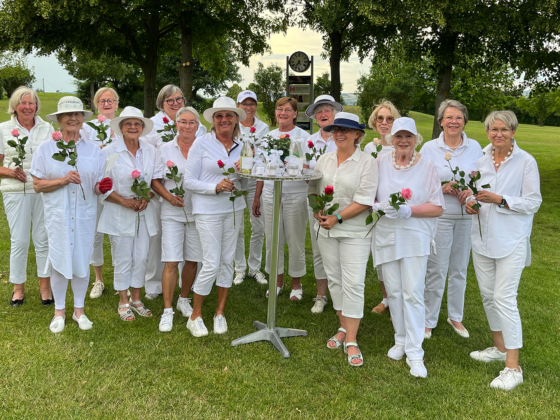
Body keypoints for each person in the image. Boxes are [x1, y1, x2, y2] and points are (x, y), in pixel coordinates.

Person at [466, 110, 541, 391]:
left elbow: (533, 202)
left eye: (504, 130)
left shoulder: (526, 162)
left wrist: (500, 199)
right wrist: (470, 203)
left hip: (512, 240)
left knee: (504, 298)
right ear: (487, 132)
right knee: (487, 296)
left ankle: (513, 367)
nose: (499, 134)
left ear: (513, 133)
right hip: (482, 238)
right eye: (494, 130)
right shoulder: (481, 161)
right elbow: (474, 194)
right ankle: (499, 348)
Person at [30, 97, 109, 332]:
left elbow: (95, 186)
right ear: (59, 120)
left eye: (77, 115)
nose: (73, 119)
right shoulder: (46, 148)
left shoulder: (95, 151)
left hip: (84, 215)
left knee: (82, 260)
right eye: (67, 115)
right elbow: (37, 185)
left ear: (83, 119)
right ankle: (59, 312)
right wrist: (63, 180)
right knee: (59, 260)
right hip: (59, 215)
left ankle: (79, 311)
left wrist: (100, 188)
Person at [373, 117, 444, 378]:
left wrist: (408, 210)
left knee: (412, 292)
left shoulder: (427, 166)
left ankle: (415, 351)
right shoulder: (380, 161)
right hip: (386, 235)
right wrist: (378, 205)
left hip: (414, 236)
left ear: (416, 140)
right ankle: (400, 339)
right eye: (398, 136)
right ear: (391, 138)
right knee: (393, 291)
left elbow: (437, 207)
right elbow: (372, 195)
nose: (403, 141)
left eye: (408, 137)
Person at [309, 112, 377, 367]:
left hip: (355, 233)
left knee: (353, 283)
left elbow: (365, 200)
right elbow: (312, 190)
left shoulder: (367, 162)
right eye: (336, 129)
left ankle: (351, 339)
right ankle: (342, 326)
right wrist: (316, 209)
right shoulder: (323, 160)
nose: (339, 133)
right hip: (326, 231)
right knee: (335, 280)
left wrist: (336, 217)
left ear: (357, 135)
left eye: (346, 130)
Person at [420, 100, 483, 339]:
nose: (453, 121)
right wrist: (441, 187)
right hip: (441, 215)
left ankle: (455, 316)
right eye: (449, 117)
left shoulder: (476, 147)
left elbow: (483, 180)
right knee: (436, 268)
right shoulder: (429, 148)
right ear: (440, 122)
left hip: (466, 216)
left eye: (458, 117)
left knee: (459, 269)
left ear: (464, 121)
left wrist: (472, 192)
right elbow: (420, 182)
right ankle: (428, 319)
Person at [184, 96, 246, 337]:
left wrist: (243, 171)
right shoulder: (201, 144)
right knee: (210, 262)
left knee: (227, 260)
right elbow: (188, 181)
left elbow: (244, 181)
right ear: (213, 120)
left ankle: (220, 312)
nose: (224, 119)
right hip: (207, 209)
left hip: (233, 209)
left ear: (236, 119)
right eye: (219, 115)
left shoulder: (243, 146)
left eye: (229, 115)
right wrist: (215, 188)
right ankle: (195, 315)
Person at [141, 85, 205, 300]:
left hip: (195, 203)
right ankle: (153, 284)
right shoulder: (153, 125)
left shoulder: (196, 126)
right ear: (162, 103)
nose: (176, 102)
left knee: (192, 250)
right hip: (163, 196)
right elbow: (147, 157)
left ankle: (186, 289)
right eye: (171, 100)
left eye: (179, 99)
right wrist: (157, 193)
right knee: (160, 243)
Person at [97, 107, 160, 321]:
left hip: (143, 210)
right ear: (121, 128)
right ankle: (123, 300)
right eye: (128, 124)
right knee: (123, 257)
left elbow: (156, 181)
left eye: (137, 124)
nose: (133, 127)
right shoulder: (110, 152)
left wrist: (146, 197)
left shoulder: (150, 151)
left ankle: (136, 298)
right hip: (119, 211)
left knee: (141, 256)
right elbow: (102, 185)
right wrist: (124, 201)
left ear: (142, 128)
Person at [0, 87, 54, 306]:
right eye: (23, 103)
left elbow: (54, 160)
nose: (27, 107)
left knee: (43, 239)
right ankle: (18, 287)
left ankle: (45, 287)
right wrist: (10, 171)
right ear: (15, 106)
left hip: (42, 190)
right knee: (20, 240)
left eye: (31, 103)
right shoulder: (3, 129)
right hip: (15, 191)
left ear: (36, 106)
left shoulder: (48, 128)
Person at [253, 97, 310, 300]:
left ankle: (296, 283)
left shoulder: (303, 137)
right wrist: (257, 196)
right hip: (270, 191)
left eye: (287, 109)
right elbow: (260, 167)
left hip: (295, 192)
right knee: (272, 237)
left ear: (295, 114)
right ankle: (276, 281)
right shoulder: (268, 137)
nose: (283, 113)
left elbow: (309, 167)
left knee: (295, 239)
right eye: (279, 109)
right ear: (275, 113)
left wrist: (301, 168)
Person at [151, 107, 202, 332]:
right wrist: (169, 197)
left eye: (192, 122)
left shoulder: (203, 147)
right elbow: (155, 180)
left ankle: (184, 299)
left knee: (192, 259)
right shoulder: (164, 149)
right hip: (172, 211)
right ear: (176, 124)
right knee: (171, 260)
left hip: (198, 211)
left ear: (198, 126)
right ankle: (167, 310)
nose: (187, 126)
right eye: (183, 122)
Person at [303, 94, 343, 314]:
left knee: (341, 250)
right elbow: (304, 170)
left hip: (343, 204)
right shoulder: (309, 142)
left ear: (334, 113)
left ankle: (343, 294)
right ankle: (321, 295)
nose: (323, 114)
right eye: (319, 111)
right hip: (318, 201)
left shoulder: (344, 137)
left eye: (327, 110)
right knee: (319, 249)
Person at [82, 87, 121, 299]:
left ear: (116, 103)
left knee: (116, 233)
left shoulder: (123, 125)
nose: (106, 104)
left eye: (110, 100)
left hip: (117, 186)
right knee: (95, 233)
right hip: (95, 186)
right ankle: (98, 279)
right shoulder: (88, 128)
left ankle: (119, 277)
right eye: (102, 101)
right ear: (96, 104)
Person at [363, 100, 401, 314]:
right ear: (374, 122)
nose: (384, 122)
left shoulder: (403, 143)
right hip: (376, 209)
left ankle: (402, 296)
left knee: (398, 253)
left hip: (398, 209)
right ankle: (386, 298)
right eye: (380, 118)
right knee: (380, 254)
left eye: (389, 118)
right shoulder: (370, 147)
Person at [233, 90, 269, 286]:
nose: (248, 107)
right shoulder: (232, 124)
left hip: (255, 180)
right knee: (237, 226)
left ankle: (255, 267)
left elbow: (263, 158)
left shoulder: (263, 127)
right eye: (244, 104)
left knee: (258, 225)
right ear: (238, 105)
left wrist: (257, 195)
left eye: (251, 103)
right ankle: (239, 268)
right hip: (236, 180)